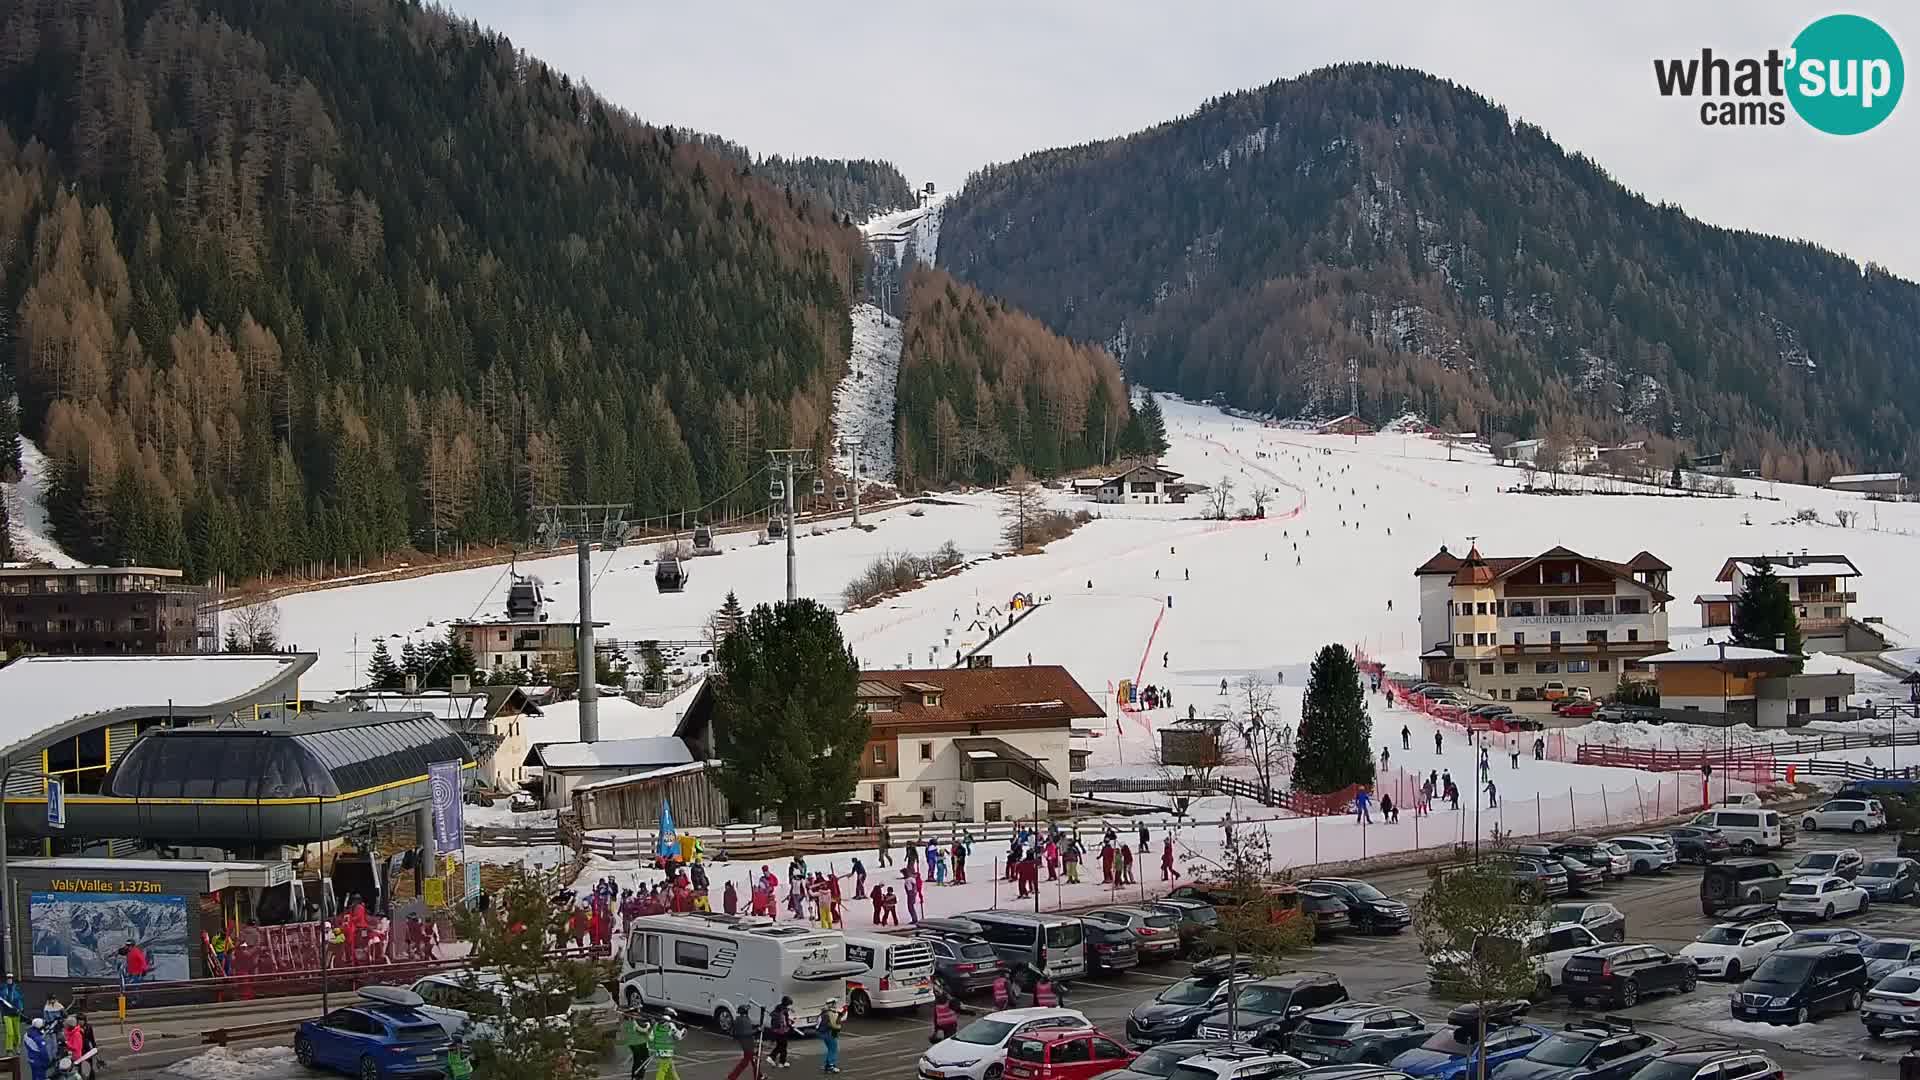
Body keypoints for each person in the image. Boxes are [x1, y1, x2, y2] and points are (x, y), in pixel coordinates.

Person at [647, 1008, 686, 1080]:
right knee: (663, 1069)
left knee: (671, 1070)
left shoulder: (655, 1025)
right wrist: (683, 1031)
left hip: (659, 1051)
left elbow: (650, 1038)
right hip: (668, 1051)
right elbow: (678, 1037)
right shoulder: (671, 1025)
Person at [725, 1006, 762, 1080]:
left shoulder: (739, 1019)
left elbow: (745, 1030)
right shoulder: (743, 1020)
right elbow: (746, 1032)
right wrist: (757, 1030)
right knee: (748, 1061)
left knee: (752, 1061)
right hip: (748, 1044)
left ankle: (759, 1076)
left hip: (745, 1043)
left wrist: (756, 1028)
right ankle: (732, 1077)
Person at [818, 999, 846, 1073]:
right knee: (833, 1049)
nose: (836, 1004)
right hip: (830, 1032)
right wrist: (839, 1024)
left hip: (825, 1033)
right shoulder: (829, 1013)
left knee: (830, 1049)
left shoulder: (825, 1012)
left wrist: (841, 1014)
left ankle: (827, 1065)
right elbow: (834, 1024)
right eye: (835, 1003)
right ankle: (831, 1066)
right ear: (832, 1004)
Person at [768, 997, 795, 1068]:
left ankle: (781, 1062)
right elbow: (785, 1022)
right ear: (787, 1003)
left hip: (775, 1031)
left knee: (781, 1046)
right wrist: (791, 1027)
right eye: (790, 1004)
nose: (790, 1006)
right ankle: (772, 1057)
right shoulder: (784, 1011)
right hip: (781, 1031)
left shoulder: (778, 1009)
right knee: (782, 1046)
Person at [2, 973, 23, 1052]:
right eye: (8, 978)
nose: (9, 980)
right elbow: (2, 999)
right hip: (6, 1013)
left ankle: (17, 1046)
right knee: (10, 1032)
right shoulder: (3, 988)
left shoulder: (17, 988)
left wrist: (20, 1008)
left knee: (17, 1033)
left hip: (16, 1013)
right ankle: (9, 1049)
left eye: (11, 978)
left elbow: (20, 999)